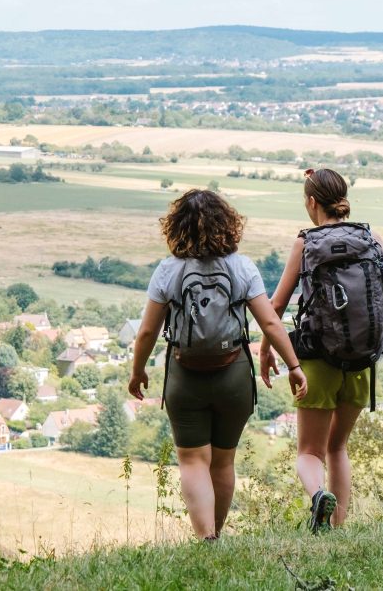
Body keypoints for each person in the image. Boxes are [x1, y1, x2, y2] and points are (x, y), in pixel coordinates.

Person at [128, 188, 307, 541]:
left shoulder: (168, 270)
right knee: (224, 461)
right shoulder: (242, 266)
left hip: (185, 376)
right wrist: (294, 366)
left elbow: (148, 330)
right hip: (234, 376)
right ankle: (218, 534)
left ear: (176, 227)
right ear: (228, 223)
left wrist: (138, 371)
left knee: (193, 460)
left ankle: (206, 538)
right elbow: (270, 322)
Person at [260, 168, 383, 532]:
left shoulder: (306, 242)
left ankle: (318, 496)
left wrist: (268, 348)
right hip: (362, 360)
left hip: (317, 360)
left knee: (309, 452)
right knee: (338, 448)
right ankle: (336, 528)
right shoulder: (371, 237)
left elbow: (277, 305)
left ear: (312, 202)